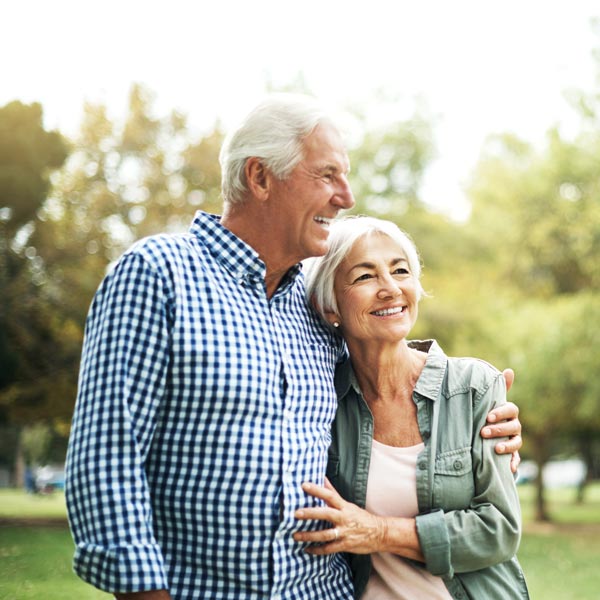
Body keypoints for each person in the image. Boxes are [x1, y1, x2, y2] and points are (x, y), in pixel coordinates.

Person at [65, 95, 522, 600]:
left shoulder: (308, 298)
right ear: (260, 177)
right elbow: (107, 460)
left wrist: (473, 411)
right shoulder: (159, 273)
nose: (346, 196)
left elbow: (385, 365)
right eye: (327, 176)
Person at [295, 215, 529, 599]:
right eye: (365, 276)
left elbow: (498, 530)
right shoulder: (321, 400)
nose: (390, 289)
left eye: (400, 271)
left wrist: (376, 531)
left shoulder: (473, 387)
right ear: (329, 305)